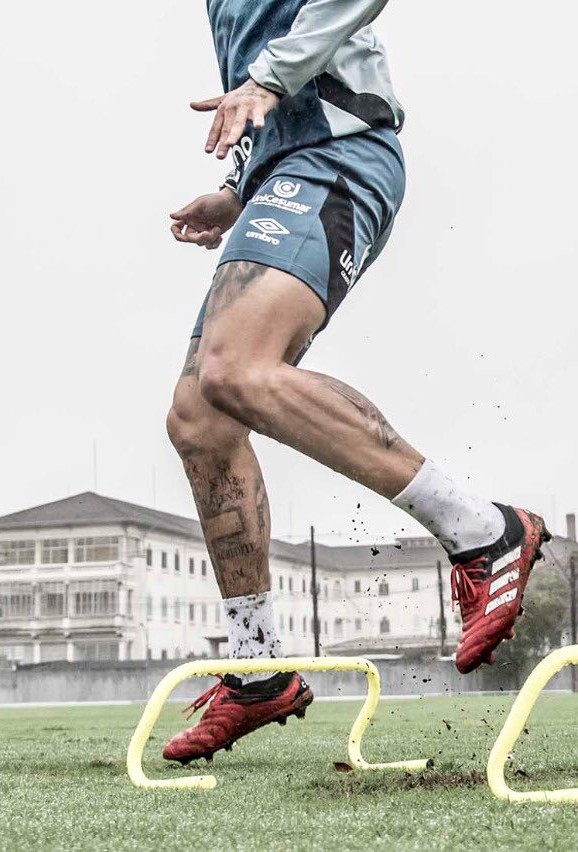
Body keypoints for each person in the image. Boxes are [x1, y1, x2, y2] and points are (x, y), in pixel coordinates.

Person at [162, 0, 549, 763]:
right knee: (198, 417)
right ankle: (258, 667)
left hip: (339, 155)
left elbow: (299, 56)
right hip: (282, 173)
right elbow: (273, 71)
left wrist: (266, 82)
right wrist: (238, 187)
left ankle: (484, 529)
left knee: (237, 370)